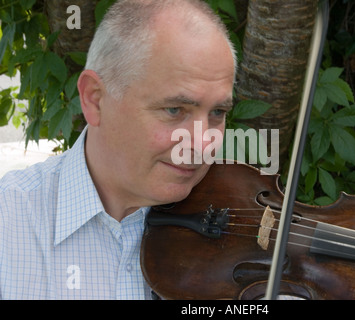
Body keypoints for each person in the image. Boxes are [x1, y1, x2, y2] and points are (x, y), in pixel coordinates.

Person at [0, 0, 236, 299]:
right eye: (175, 110)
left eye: (217, 113)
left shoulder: (244, 234)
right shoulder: (8, 224)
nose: (203, 145)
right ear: (95, 99)